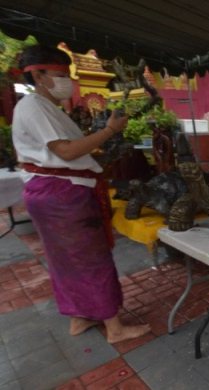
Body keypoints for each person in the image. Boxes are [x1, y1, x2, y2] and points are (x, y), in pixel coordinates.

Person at [12, 45, 150, 343]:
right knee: (92, 259)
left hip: (56, 191)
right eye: (59, 75)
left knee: (67, 260)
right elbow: (65, 151)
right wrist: (110, 131)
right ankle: (114, 328)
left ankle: (79, 317)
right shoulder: (34, 106)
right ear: (37, 74)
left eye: (67, 74)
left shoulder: (46, 107)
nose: (66, 81)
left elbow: (70, 152)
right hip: (62, 195)